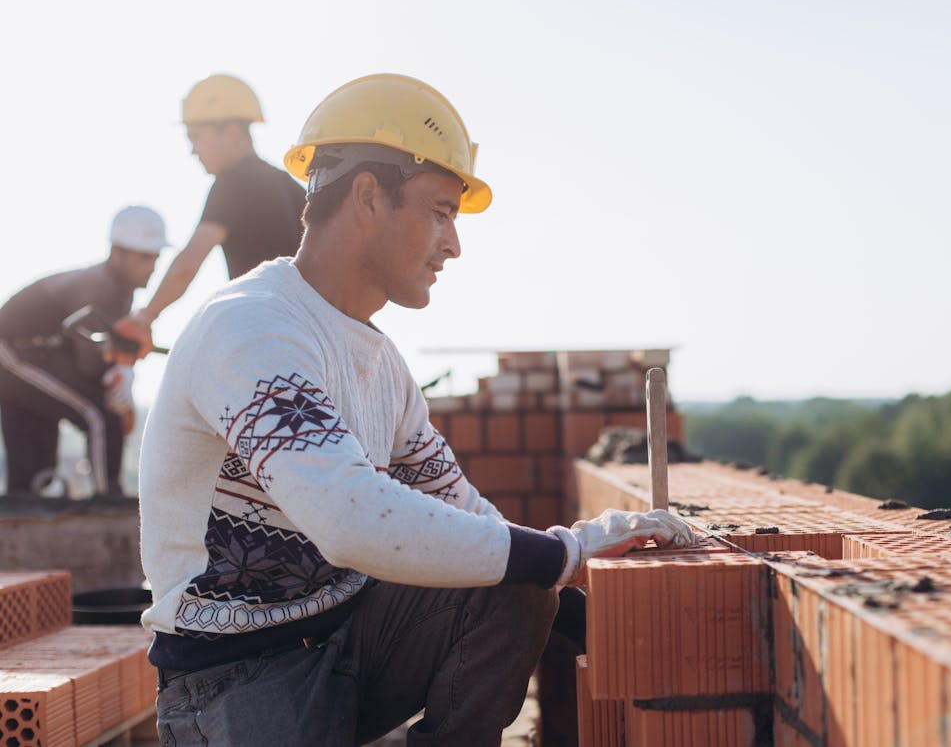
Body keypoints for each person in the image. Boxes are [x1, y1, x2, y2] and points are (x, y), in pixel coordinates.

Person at [139, 73, 695, 746]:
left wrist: (583, 603)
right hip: (238, 678)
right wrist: (563, 552)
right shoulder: (253, 329)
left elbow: (466, 520)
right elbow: (349, 519)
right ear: (369, 196)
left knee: (515, 582)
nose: (453, 244)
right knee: (527, 566)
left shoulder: (381, 364)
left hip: (348, 639)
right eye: (439, 211)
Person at [114, 74, 306, 357]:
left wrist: (145, 316)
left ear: (231, 131)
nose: (193, 150)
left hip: (269, 336)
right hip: (313, 335)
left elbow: (187, 265)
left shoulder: (232, 182)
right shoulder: (291, 187)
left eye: (196, 137)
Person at [0, 205, 167, 499]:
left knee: (30, 477)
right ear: (118, 254)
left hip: (43, 356)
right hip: (12, 354)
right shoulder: (96, 286)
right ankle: (108, 497)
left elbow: (99, 356)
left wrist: (121, 375)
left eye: (155, 257)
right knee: (98, 414)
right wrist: (120, 381)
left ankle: (28, 505)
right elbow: (90, 363)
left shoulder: (122, 293)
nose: (152, 266)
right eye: (144, 257)